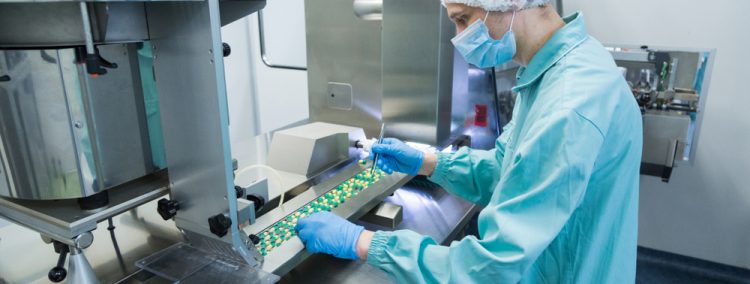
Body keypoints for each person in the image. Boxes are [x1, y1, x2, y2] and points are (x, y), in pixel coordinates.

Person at [295, 0, 643, 282]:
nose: (458, 38)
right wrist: (427, 162)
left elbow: (492, 267)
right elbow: (506, 170)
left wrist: (362, 242)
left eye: (464, 20)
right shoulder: (555, 70)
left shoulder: (567, 106)